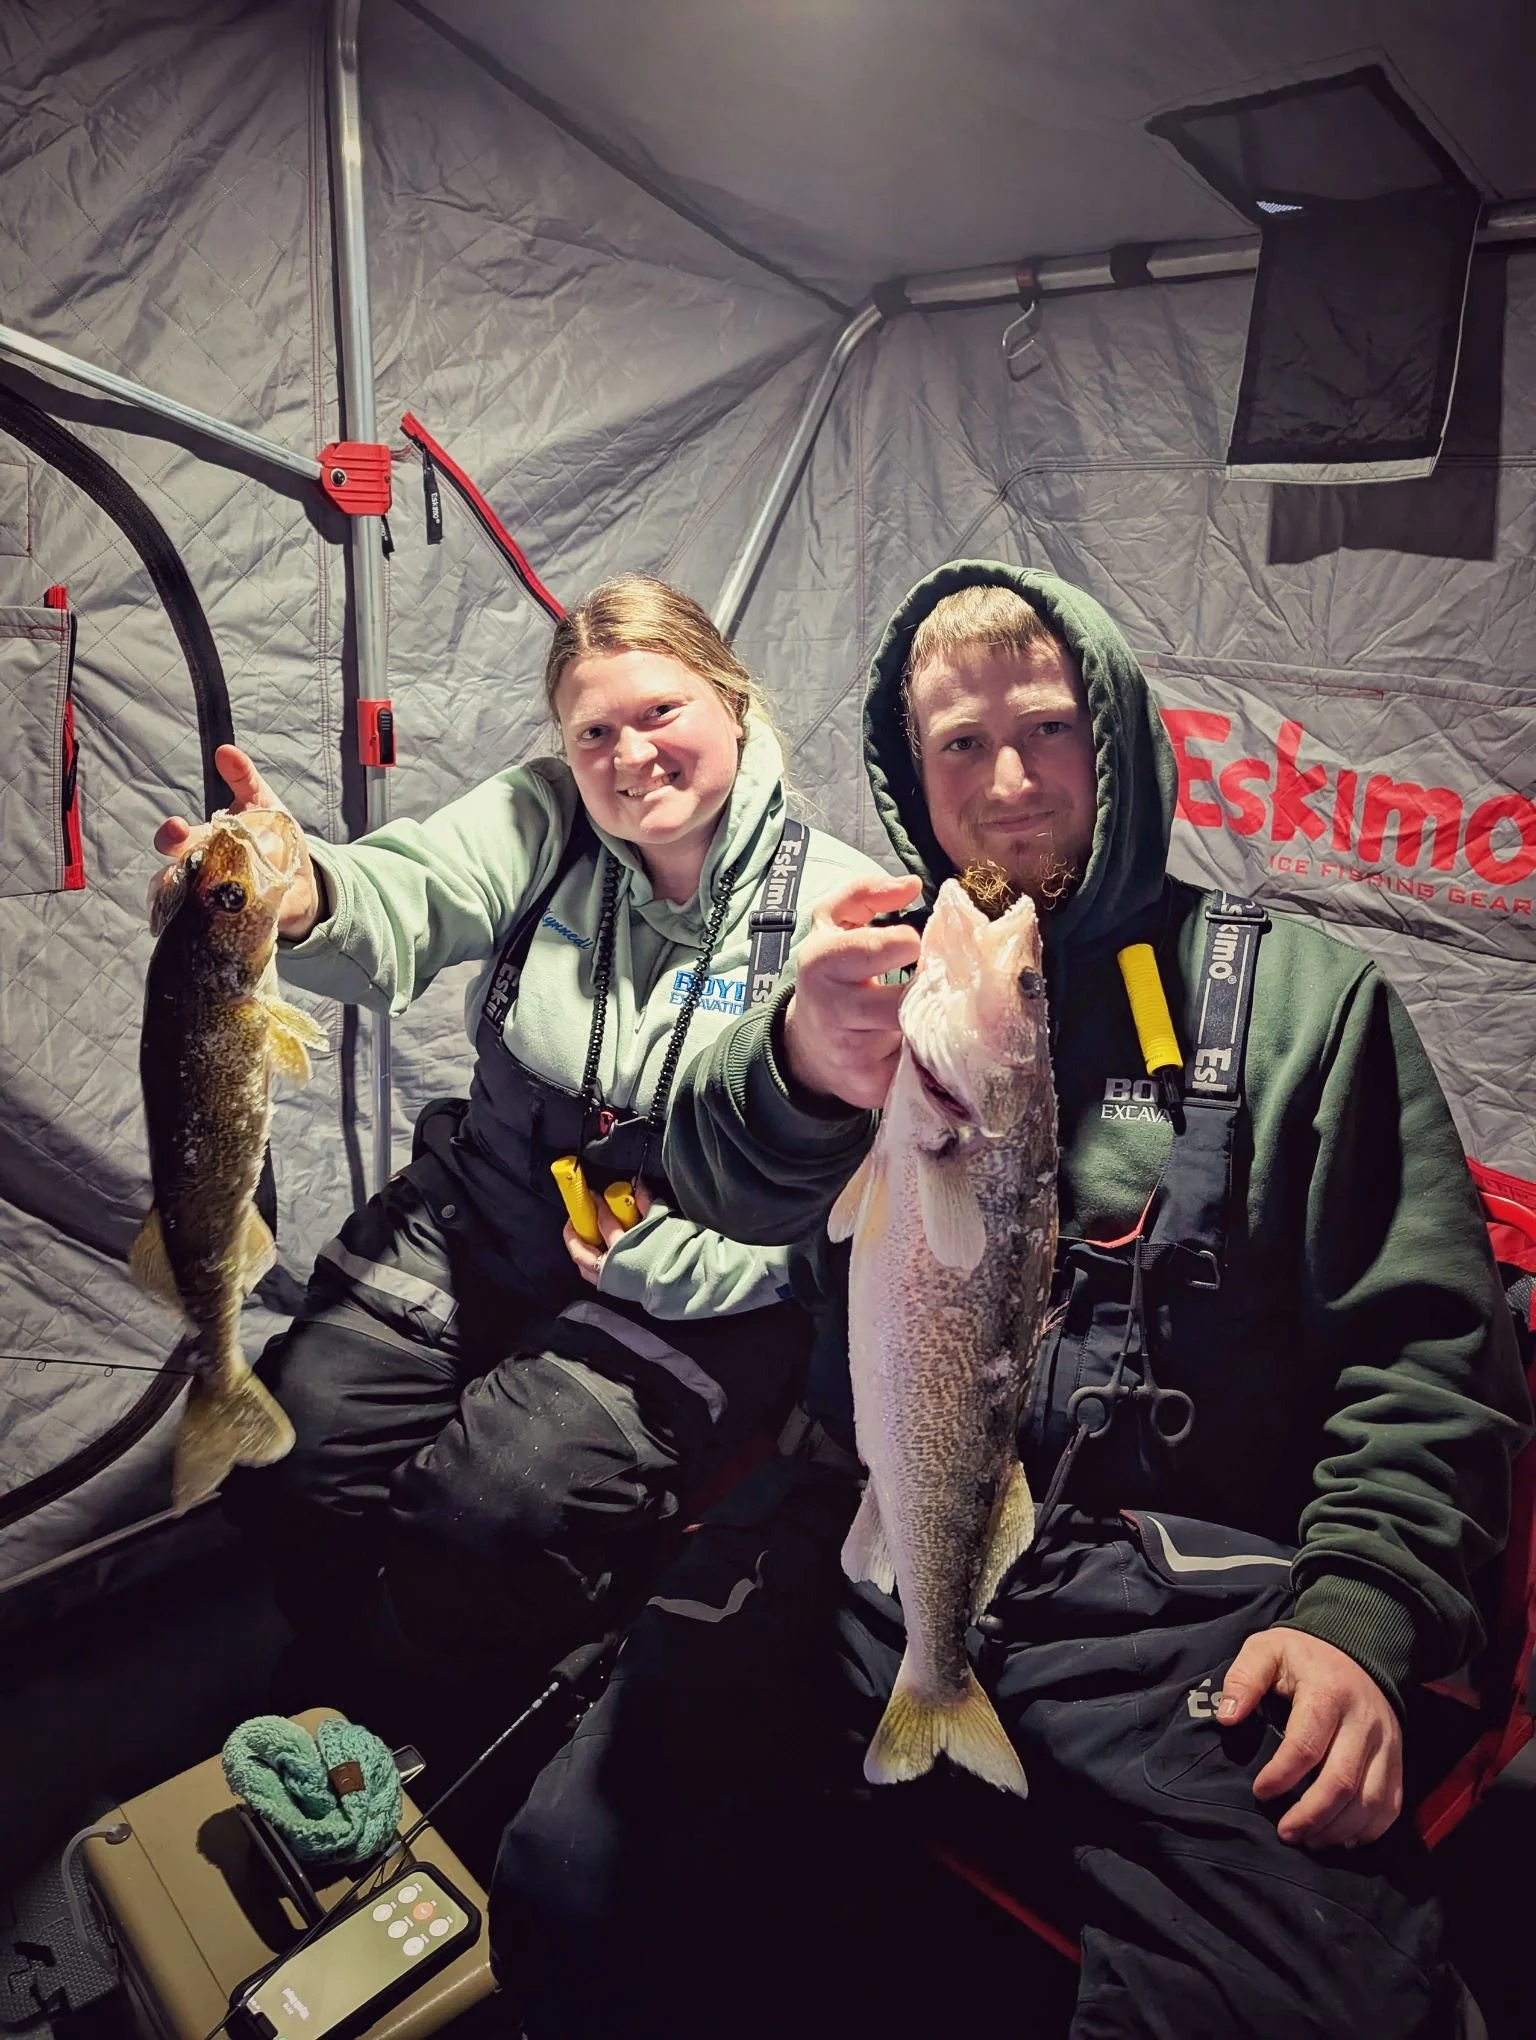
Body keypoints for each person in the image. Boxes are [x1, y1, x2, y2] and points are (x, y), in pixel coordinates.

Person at [491, 562, 1531, 2038]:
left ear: (1115, 734)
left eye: (1044, 728)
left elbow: (1430, 1357)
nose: (1008, 781)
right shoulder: (876, 973)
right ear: (910, 773)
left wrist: (1364, 1614)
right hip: (877, 1533)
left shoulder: (1307, 1003)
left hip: (1171, 1611)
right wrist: (795, 1062)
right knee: (572, 1885)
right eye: (958, 746)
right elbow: (715, 1179)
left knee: (1321, 2006)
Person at [151, 574, 879, 1708]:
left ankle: (449, 1706)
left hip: (689, 1283)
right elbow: (411, 890)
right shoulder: (546, 821)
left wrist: (687, 1264)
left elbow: (855, 1214)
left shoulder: (842, 912)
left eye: (660, 713)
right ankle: (345, 1674)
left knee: (493, 1509)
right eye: (595, 730)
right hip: (487, 1212)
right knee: (297, 1448)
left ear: (734, 701)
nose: (628, 754)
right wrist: (297, 897)